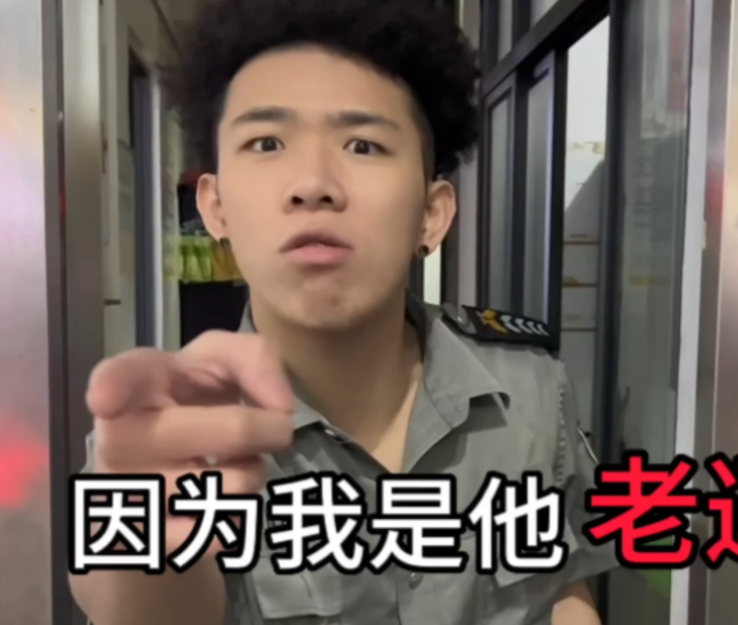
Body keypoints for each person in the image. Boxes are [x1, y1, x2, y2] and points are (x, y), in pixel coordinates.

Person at [69, 0, 618, 623]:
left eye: (363, 144)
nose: (313, 184)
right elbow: (134, 604)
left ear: (431, 214)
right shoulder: (169, 436)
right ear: (215, 208)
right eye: (266, 142)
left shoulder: (531, 393)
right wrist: (149, 545)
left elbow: (563, 591)